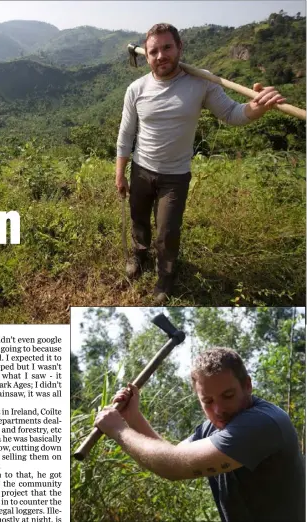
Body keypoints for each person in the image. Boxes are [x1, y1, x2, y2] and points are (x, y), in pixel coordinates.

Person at [116, 23, 286, 304]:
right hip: (142, 168)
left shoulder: (201, 82)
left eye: (167, 48)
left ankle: (166, 275)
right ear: (146, 56)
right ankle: (139, 253)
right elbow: (126, 134)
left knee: (168, 232)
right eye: (153, 51)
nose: (161, 56)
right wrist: (120, 173)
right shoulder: (136, 89)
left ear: (180, 47)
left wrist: (257, 108)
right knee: (139, 220)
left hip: (175, 175)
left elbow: (233, 113)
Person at [94, 348, 305, 522]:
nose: (219, 409)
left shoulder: (262, 423)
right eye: (208, 401)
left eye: (228, 396)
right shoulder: (213, 427)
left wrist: (119, 431)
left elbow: (172, 467)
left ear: (247, 385)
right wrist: (132, 417)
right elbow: (174, 454)